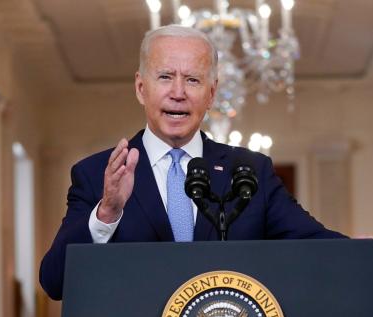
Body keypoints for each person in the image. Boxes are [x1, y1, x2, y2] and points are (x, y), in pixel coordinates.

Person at [39, 24, 345, 301]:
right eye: (165, 77)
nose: (178, 93)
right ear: (140, 87)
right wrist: (107, 212)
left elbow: (314, 243)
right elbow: (55, 282)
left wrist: (359, 251)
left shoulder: (250, 172)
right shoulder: (97, 175)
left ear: (211, 93)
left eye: (193, 80)